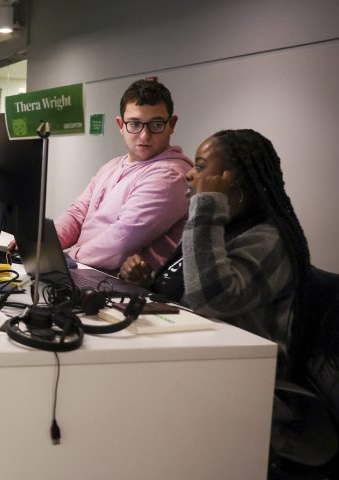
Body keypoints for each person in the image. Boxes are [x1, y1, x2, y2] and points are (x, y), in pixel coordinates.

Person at [119, 129, 310, 377]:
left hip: (238, 375)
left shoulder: (269, 239)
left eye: (200, 167)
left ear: (233, 180)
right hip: (188, 354)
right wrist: (147, 282)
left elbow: (209, 301)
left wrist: (207, 204)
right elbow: (183, 294)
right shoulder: (219, 226)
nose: (189, 174)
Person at [53, 79, 192, 272]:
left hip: (115, 281)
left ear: (172, 124)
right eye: (134, 124)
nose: (144, 135)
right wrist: (45, 244)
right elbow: (78, 213)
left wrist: (69, 256)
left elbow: (121, 241)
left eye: (156, 124)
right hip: (85, 269)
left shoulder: (170, 175)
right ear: (121, 125)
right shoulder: (113, 165)